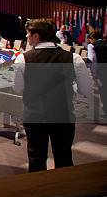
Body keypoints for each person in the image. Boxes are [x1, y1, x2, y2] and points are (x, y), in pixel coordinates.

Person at [14, 19, 93, 172]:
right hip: (63, 115)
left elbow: (18, 89)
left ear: (36, 36)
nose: (26, 37)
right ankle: (64, 193)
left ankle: (39, 193)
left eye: (28, 34)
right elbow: (86, 91)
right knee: (64, 158)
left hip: (35, 116)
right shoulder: (74, 58)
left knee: (36, 160)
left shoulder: (22, 59)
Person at [87, 31, 107, 119]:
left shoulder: (92, 46)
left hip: (101, 71)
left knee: (103, 91)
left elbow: (92, 60)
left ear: (93, 38)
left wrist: (93, 73)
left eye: (90, 39)